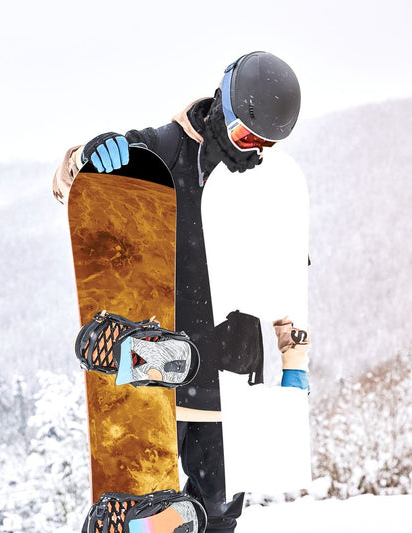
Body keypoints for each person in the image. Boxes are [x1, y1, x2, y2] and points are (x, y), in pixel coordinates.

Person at [54, 51, 310, 532]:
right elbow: (74, 184)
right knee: (148, 486)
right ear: (223, 107)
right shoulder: (165, 149)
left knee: (218, 513)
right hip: (165, 370)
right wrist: (82, 157)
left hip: (232, 380)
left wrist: (294, 361)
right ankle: (136, 352)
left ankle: (163, 523)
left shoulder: (266, 185)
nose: (254, 150)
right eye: (247, 137)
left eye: (266, 143)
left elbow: (282, 276)